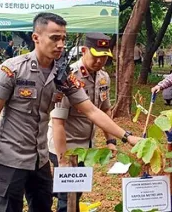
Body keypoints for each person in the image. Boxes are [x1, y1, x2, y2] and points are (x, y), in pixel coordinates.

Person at [0, 13, 140, 212]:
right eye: (54, 38)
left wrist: (127, 137)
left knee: (43, 206)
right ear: (36, 38)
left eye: (63, 38)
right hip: (9, 159)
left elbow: (92, 111)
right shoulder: (13, 70)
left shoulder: (63, 77)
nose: (60, 44)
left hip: (39, 159)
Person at [47, 32, 116, 212]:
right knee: (67, 198)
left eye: (104, 57)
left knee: (76, 193)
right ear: (84, 51)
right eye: (96, 56)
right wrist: (62, 159)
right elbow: (58, 121)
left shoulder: (103, 77)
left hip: (86, 148)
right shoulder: (68, 76)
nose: (100, 61)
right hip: (65, 145)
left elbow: (104, 110)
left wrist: (111, 140)